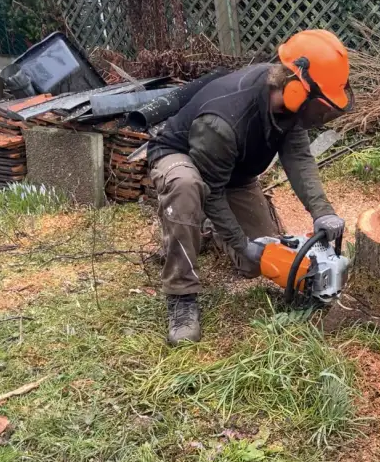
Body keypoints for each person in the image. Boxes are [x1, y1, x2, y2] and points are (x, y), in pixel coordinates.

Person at [147, 29, 351, 343]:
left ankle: (200, 230)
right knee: (188, 187)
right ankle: (181, 296)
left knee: (256, 263)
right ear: (296, 88)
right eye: (321, 105)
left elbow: (297, 156)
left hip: (234, 175)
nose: (322, 113)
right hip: (182, 158)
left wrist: (322, 211)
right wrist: (239, 241)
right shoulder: (225, 122)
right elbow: (211, 190)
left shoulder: (288, 105)